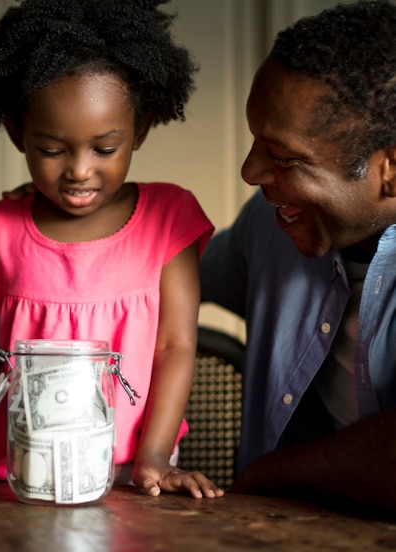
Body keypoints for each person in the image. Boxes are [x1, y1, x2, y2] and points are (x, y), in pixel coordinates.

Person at [0, 0, 223, 499]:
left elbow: (175, 348)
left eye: (104, 149)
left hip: (130, 477)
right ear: (18, 132)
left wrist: (154, 457)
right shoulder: (1, 229)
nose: (79, 170)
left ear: (142, 129)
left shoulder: (168, 218)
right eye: (52, 150)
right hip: (19, 475)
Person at [200, 0, 396, 517]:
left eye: (283, 157)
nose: (249, 171)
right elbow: (162, 276)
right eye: (254, 143)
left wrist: (269, 474)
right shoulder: (268, 225)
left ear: (390, 168)